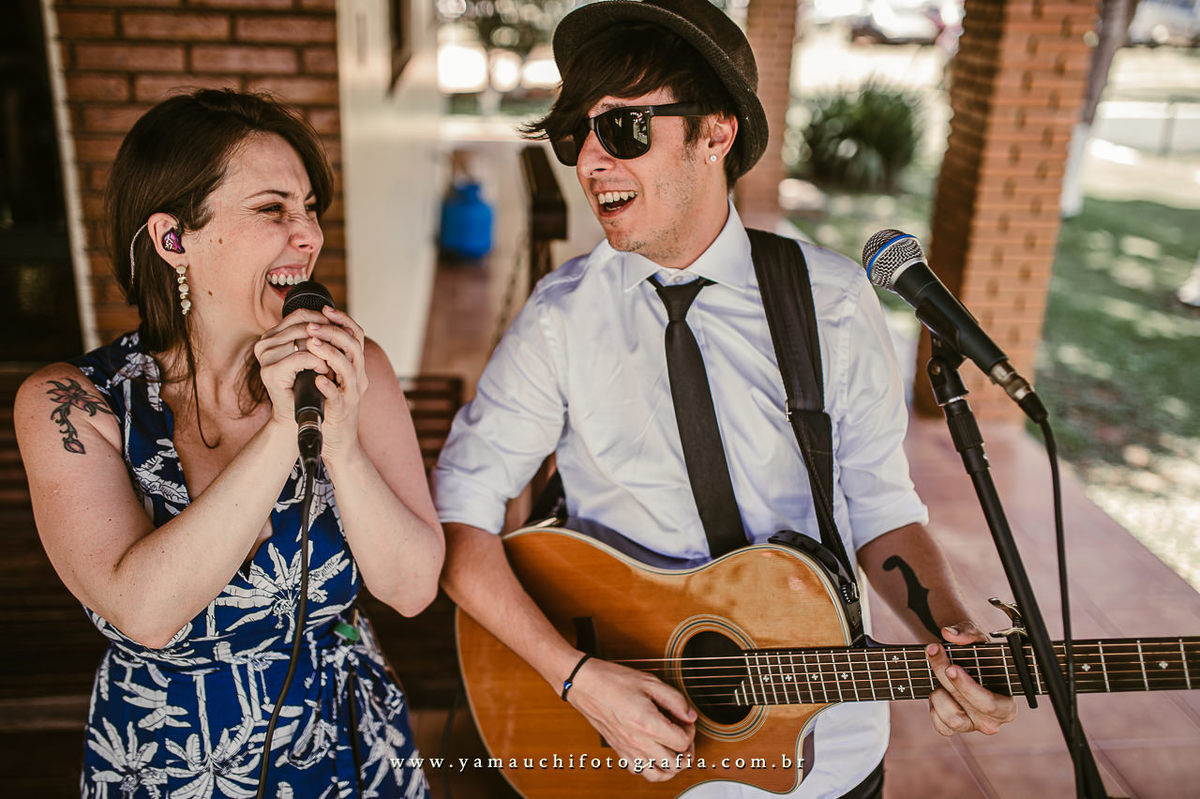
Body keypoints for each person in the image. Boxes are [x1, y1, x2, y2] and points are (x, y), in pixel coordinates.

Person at [434, 1, 1017, 797]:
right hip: (619, 757)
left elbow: (881, 510)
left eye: (626, 130)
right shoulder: (561, 317)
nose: (592, 161)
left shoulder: (832, 303)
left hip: (825, 754)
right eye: (579, 135)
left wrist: (952, 641)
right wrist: (577, 679)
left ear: (716, 133)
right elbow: (459, 515)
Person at [14, 90, 443, 797]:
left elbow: (411, 586)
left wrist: (339, 442)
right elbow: (147, 610)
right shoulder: (73, 404)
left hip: (346, 742)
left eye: (309, 208)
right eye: (273, 209)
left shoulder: (354, 369)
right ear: (174, 240)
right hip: (172, 757)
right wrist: (283, 432)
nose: (308, 235)